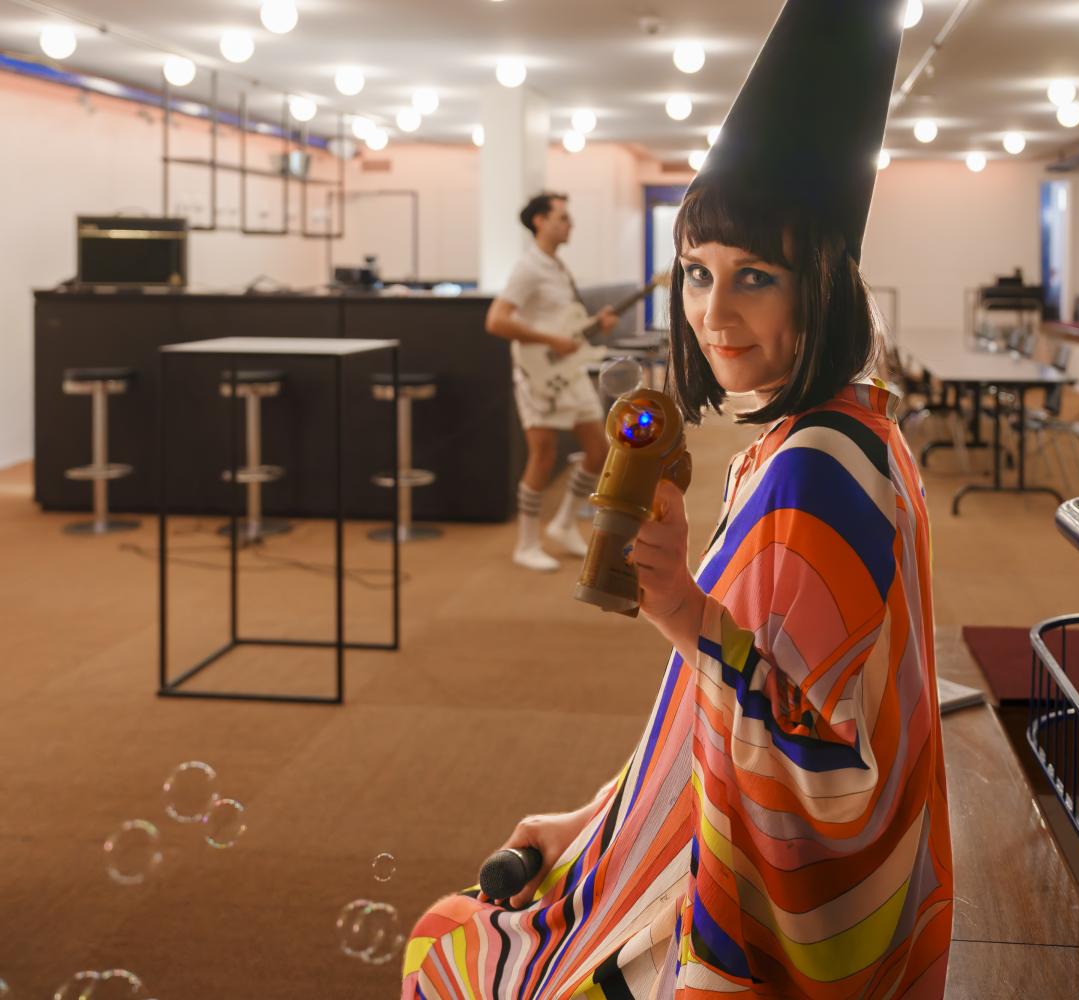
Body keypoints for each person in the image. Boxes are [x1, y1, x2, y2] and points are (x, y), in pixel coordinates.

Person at [403, 1, 952, 996]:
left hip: (786, 935)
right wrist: (601, 819)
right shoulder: (835, 427)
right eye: (696, 272)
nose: (712, 312)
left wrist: (683, 611)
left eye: (755, 276)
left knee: (453, 954)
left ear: (825, 284)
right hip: (760, 863)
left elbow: (822, 770)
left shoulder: (818, 470)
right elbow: (744, 701)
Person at [485, 192, 619, 572]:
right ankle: (526, 543)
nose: (569, 223)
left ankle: (563, 523)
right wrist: (550, 341)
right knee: (543, 455)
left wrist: (595, 325)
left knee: (599, 450)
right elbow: (496, 321)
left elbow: (564, 326)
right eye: (562, 217)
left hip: (569, 372)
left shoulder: (557, 268)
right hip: (539, 374)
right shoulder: (528, 268)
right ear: (540, 221)